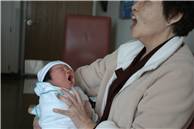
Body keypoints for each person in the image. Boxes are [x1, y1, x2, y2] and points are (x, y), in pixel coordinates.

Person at [34, 1, 194, 129]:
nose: (134, 6)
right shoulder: (130, 50)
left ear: (174, 15)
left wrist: (87, 125)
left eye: (147, 2)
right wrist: (45, 112)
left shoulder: (181, 74)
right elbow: (80, 79)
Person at [29, 60, 97, 129]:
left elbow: (87, 103)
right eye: (62, 69)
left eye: (69, 69)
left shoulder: (76, 90)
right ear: (48, 80)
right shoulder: (47, 93)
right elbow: (43, 108)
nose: (68, 70)